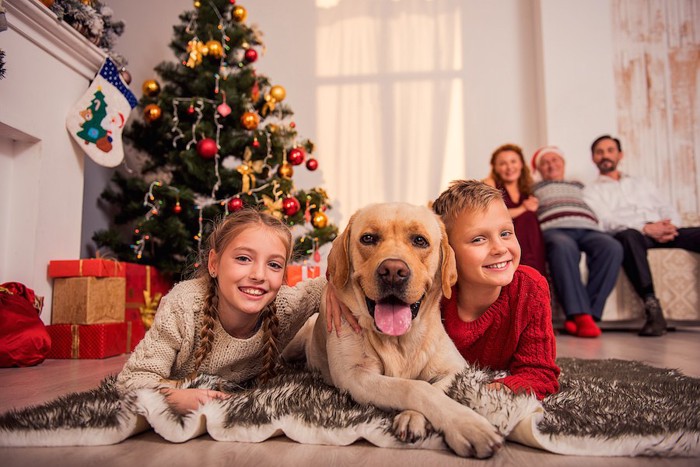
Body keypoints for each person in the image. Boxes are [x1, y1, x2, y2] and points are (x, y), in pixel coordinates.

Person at [116, 209, 349, 414]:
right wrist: (176, 397)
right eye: (243, 258)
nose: (259, 275)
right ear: (214, 264)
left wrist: (334, 286)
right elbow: (132, 381)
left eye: (274, 265)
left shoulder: (286, 305)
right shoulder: (184, 306)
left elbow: (328, 280)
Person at [431, 180, 560, 400]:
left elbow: (540, 373)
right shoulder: (433, 292)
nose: (500, 248)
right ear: (447, 251)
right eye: (478, 239)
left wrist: (497, 391)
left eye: (506, 233)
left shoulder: (529, 289)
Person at [583, 135, 700, 337]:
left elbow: (666, 206)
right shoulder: (591, 191)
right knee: (628, 236)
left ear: (620, 154)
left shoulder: (642, 182)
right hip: (636, 236)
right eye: (599, 152)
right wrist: (645, 228)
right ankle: (652, 307)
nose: (605, 156)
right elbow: (605, 221)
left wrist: (670, 226)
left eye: (610, 150)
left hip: (665, 229)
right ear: (593, 158)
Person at [531, 146, 623, 338]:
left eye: (555, 160)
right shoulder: (533, 189)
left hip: (588, 228)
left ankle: (589, 314)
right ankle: (580, 315)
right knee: (562, 246)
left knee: (612, 246)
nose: (551, 165)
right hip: (555, 228)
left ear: (563, 164)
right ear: (538, 169)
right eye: (545, 162)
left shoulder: (580, 185)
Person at [484, 144, 547, 276]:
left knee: (530, 217)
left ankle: (534, 275)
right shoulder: (490, 184)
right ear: (495, 167)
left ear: (521, 164)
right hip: (503, 239)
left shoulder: (529, 188)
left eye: (513, 161)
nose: (509, 167)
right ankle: (524, 272)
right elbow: (492, 216)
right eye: (502, 163)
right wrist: (523, 208)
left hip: (531, 244)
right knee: (527, 215)